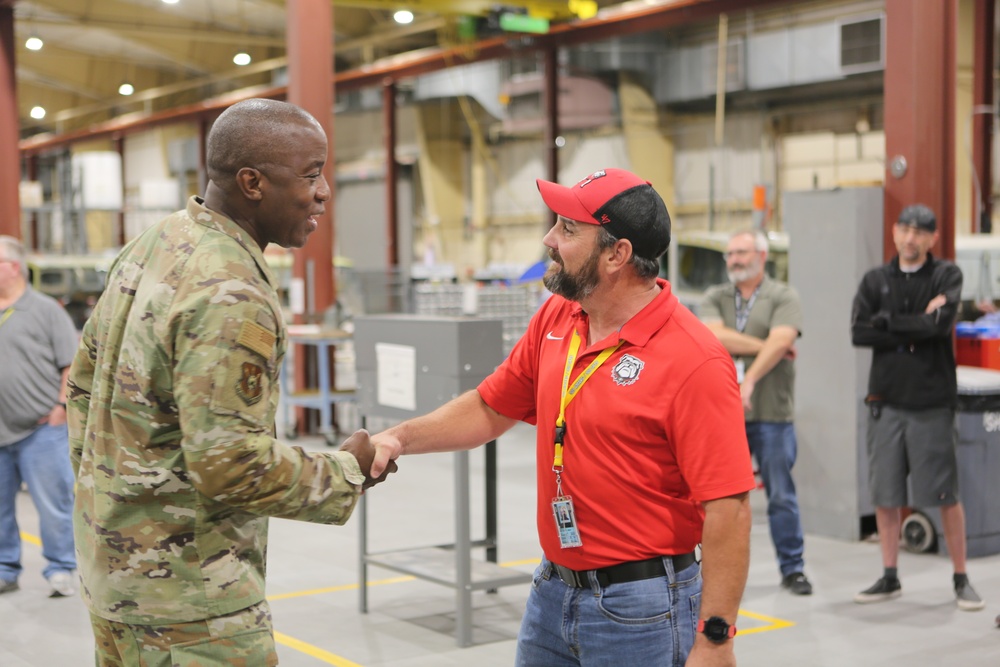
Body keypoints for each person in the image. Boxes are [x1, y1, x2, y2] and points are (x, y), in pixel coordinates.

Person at [362, 168, 756, 667]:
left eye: (568, 229)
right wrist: (399, 438)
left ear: (618, 254)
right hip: (553, 590)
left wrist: (715, 639)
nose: (549, 239)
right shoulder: (559, 319)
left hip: (642, 608)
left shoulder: (693, 360)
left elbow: (729, 508)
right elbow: (490, 406)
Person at [66, 98, 396, 665]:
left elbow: (81, 393)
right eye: (311, 175)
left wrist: (123, 506)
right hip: (192, 607)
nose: (323, 192)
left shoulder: (155, 245)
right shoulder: (231, 290)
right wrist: (347, 471)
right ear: (252, 183)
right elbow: (228, 465)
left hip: (117, 580)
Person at [850, 203, 985, 611]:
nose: (911, 238)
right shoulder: (875, 279)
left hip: (932, 403)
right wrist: (913, 326)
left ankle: (961, 577)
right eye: (905, 229)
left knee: (946, 494)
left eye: (920, 232)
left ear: (933, 238)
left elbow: (940, 326)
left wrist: (888, 323)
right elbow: (859, 331)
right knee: (886, 494)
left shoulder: (947, 275)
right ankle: (890, 576)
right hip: (885, 402)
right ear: (894, 232)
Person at [700, 230, 813, 596]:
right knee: (717, 498)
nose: (734, 259)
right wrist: (770, 346)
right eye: (730, 253)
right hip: (722, 415)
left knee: (781, 495)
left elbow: (786, 338)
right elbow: (715, 337)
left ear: (761, 256)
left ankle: (793, 569)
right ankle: (712, 572)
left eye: (742, 252)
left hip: (771, 413)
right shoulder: (715, 296)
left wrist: (748, 382)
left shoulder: (783, 295)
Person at [0, 235, 79, 599]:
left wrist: (61, 407)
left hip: (40, 430)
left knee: (53, 503)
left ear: (12, 267)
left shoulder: (46, 310)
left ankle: (61, 567)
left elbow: (71, 364)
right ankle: (5, 568)